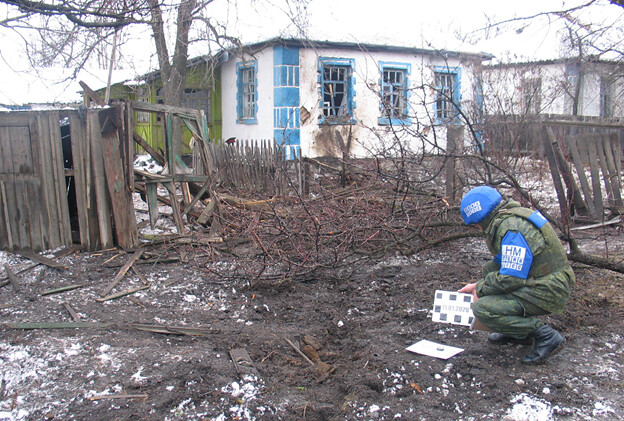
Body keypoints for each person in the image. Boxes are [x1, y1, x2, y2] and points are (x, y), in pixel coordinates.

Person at [458, 185, 575, 364]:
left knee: (482, 309)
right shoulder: (513, 214)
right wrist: (481, 284)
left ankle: (545, 335)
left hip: (551, 288)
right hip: (546, 278)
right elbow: (504, 263)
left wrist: (480, 289)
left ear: (481, 219)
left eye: (475, 224)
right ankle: (515, 332)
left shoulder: (511, 229)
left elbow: (511, 278)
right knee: (490, 269)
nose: (476, 228)